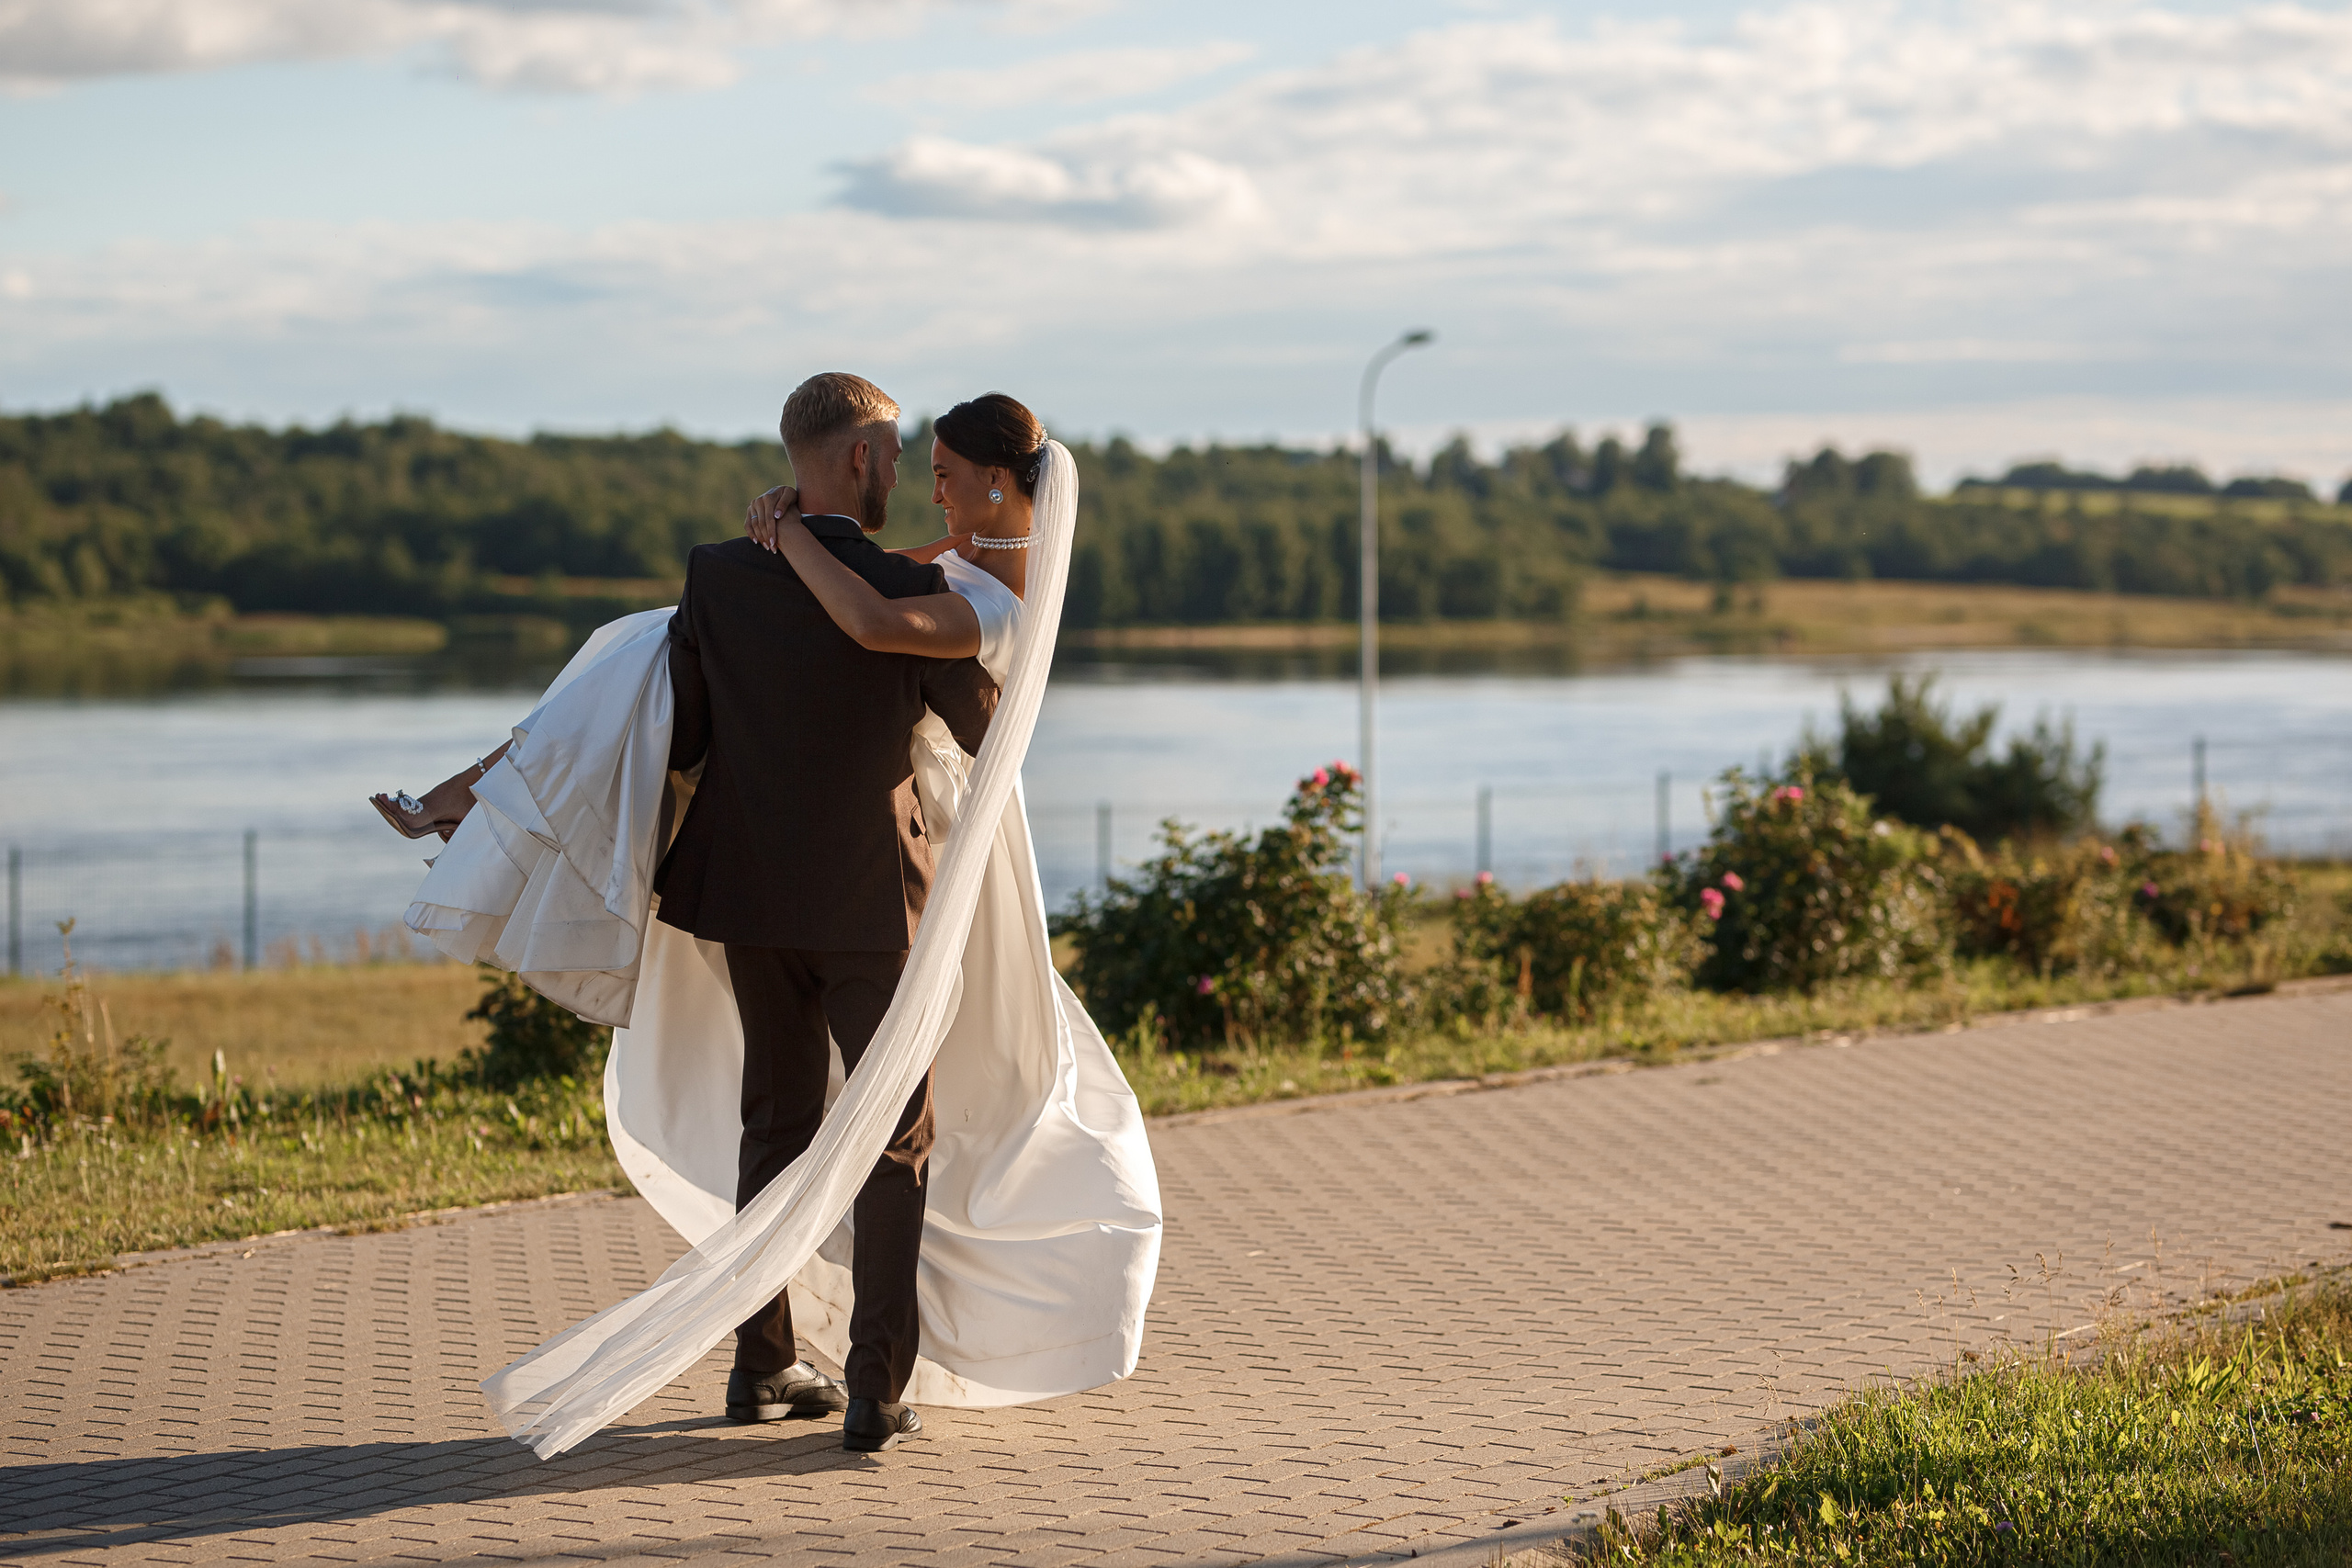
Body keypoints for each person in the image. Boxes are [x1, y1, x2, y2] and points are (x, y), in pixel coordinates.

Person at [396, 379, 1160, 1461]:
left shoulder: (720, 572)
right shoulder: (905, 586)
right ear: (856, 458)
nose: (905, 478)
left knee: (777, 1123)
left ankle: (762, 1362)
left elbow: (689, 730)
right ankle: (874, 1390)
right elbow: (977, 729)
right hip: (866, 903)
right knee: (895, 1141)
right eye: (896, 457)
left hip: (747, 894)